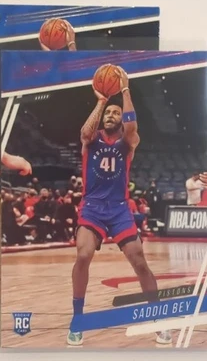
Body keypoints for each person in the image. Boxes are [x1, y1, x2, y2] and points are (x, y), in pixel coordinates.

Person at [67, 67, 172, 346]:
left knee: (139, 261)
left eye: (116, 112)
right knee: (83, 254)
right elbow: (85, 131)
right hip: (92, 206)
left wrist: (125, 89)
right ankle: (78, 319)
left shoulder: (128, 141)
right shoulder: (92, 139)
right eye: (108, 113)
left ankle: (157, 318)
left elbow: (132, 126)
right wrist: (102, 101)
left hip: (119, 208)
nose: (112, 115)